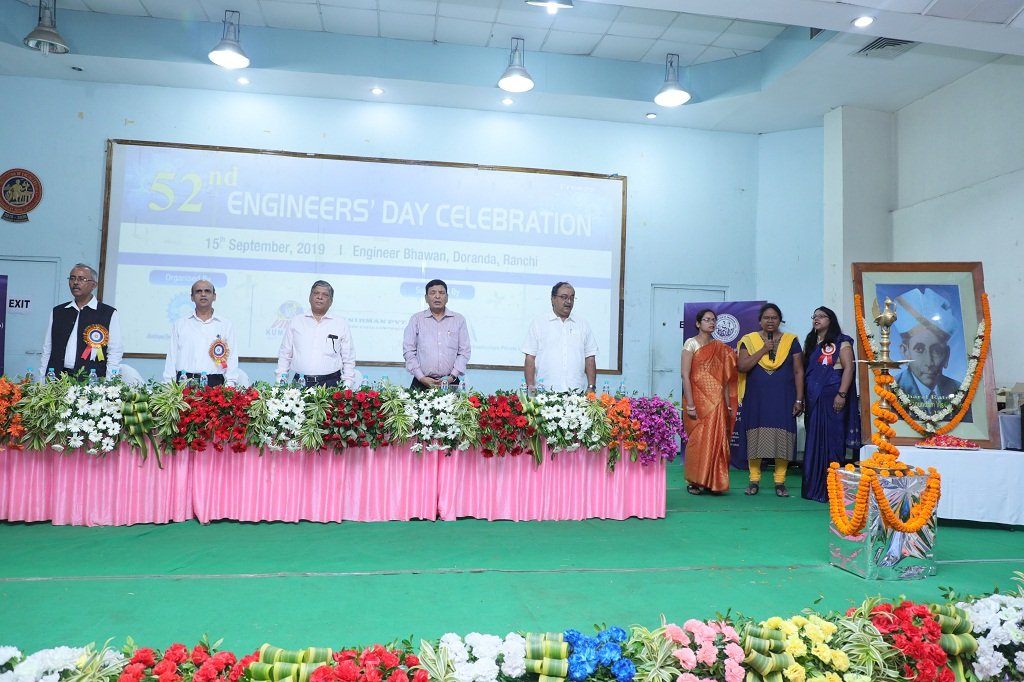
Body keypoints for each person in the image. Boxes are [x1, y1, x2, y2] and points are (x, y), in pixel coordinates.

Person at [737, 303, 804, 497]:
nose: (770, 321)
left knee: (782, 436)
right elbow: (742, 366)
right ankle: (754, 479)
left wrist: (799, 399)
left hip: (784, 397)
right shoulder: (748, 341)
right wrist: (763, 349)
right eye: (766, 317)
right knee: (755, 437)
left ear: (779, 320)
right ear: (760, 320)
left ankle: (780, 481)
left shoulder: (791, 341)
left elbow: (799, 371)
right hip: (756, 398)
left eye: (774, 317)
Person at [801, 306, 861, 502]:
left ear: (831, 319)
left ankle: (832, 490)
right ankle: (813, 488)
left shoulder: (840, 341)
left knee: (833, 440)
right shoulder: (811, 342)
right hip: (814, 398)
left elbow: (849, 368)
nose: (816, 319)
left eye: (821, 316)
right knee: (814, 440)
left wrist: (842, 394)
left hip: (833, 397)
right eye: (814, 316)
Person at [680, 308, 737, 495]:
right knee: (698, 440)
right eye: (707, 320)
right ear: (698, 323)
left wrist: (728, 403)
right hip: (697, 400)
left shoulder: (720, 348)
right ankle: (696, 481)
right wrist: (689, 403)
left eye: (713, 320)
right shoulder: (691, 344)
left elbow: (726, 379)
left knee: (717, 440)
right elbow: (685, 375)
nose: (711, 323)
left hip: (717, 402)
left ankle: (714, 481)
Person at [892, 287, 969, 419]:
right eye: (919, 349)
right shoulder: (890, 390)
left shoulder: (960, 391)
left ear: (947, 356)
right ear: (905, 352)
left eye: (937, 351)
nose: (929, 362)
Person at [40, 263, 123, 380]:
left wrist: (110, 382)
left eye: (81, 279)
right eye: (72, 278)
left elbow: (114, 351)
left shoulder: (108, 313)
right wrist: (42, 378)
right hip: (57, 378)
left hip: (91, 380)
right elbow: (47, 348)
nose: (75, 282)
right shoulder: (58, 312)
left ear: (93, 285)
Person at [276, 280, 356, 388]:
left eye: (325, 295)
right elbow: (285, 355)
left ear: (331, 301)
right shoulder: (296, 322)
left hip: (331, 383)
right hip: (300, 383)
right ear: (310, 297)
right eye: (316, 293)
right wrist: (280, 382)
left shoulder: (340, 324)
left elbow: (348, 359)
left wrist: (347, 386)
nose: (319, 297)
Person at [522, 282, 598, 392]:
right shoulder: (539, 323)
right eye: (564, 297)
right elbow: (530, 358)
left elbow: (590, 357)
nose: (569, 302)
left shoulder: (582, 324)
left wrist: (591, 387)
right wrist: (530, 387)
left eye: (572, 298)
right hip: (545, 393)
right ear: (553, 299)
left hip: (576, 395)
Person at [162, 280, 238, 387]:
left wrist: (230, 384)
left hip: (215, 385)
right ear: (192, 297)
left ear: (214, 296)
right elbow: (171, 357)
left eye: (207, 291)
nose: (203, 294)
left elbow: (232, 357)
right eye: (198, 291)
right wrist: (168, 385)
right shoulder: (180, 324)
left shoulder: (226, 325)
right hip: (184, 383)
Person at [402, 279, 471, 391]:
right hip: (421, 382)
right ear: (426, 298)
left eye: (441, 293)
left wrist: (452, 376)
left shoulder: (458, 320)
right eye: (433, 293)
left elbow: (464, 351)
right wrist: (421, 377)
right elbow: (409, 351)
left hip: (451, 381)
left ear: (447, 297)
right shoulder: (416, 319)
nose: (437, 296)